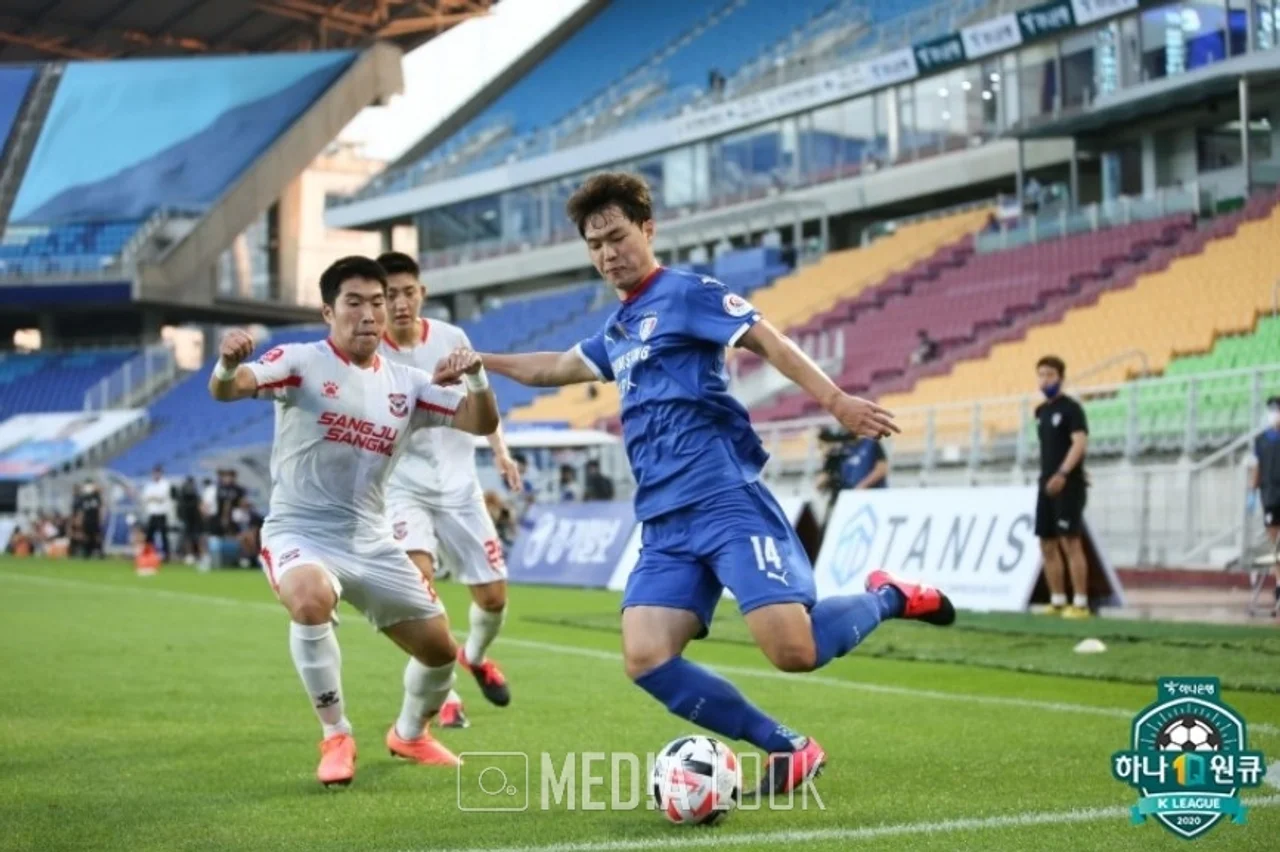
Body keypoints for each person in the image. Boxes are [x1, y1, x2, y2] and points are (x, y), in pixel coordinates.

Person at [480, 172, 954, 798]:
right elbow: (554, 367)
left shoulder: (686, 293)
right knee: (645, 657)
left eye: (617, 237)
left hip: (723, 499)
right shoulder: (619, 330)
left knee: (795, 651)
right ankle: (788, 747)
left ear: (648, 230)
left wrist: (836, 400)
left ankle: (889, 596)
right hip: (664, 522)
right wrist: (481, 361)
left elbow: (767, 339)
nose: (608, 254)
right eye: (595, 245)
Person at [207, 255, 500, 787]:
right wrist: (227, 364)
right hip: (300, 532)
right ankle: (336, 734)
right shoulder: (300, 361)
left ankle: (410, 734)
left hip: (372, 540)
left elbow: (479, 421)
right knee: (309, 598)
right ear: (328, 311)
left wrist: (476, 376)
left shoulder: (408, 384)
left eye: (378, 303)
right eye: (355, 302)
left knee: (440, 653)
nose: (369, 314)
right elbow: (229, 389)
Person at [377, 250, 522, 730]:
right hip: (404, 488)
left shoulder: (451, 337)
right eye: (390, 295)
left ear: (422, 293)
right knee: (417, 589)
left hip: (460, 487)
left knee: (493, 599)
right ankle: (446, 694)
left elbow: (481, 397)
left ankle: (474, 657)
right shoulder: (372, 354)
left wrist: (500, 451)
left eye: (408, 292)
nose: (400, 303)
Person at [1033, 355, 1090, 618]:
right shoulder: (1040, 412)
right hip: (1045, 481)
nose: (1045, 380)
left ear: (1061, 378)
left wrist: (1065, 472)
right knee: (1047, 542)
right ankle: (1057, 600)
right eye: (1041, 375)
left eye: (1050, 375)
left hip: (1067, 482)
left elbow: (1079, 443)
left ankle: (1080, 602)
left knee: (1070, 541)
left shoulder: (1072, 409)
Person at [1248, 396, 1280, 615]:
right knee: (1274, 545)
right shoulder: (1261, 441)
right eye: (1272, 410)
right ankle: (1279, 586)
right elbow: (1257, 467)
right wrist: (1252, 492)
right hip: (1269, 496)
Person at [141, 466, 174, 562]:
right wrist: (153, 497)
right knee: (149, 535)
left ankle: (166, 555)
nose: (155, 475)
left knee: (163, 535)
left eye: (157, 473)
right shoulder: (149, 485)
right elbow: (145, 497)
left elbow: (161, 497)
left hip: (162, 513)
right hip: (152, 513)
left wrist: (153, 497)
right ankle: (147, 554)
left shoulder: (165, 484)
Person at [72, 479, 104, 559]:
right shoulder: (83, 498)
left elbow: (100, 508)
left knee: (97, 536)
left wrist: (101, 519)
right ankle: (87, 552)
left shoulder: (96, 496)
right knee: (86, 536)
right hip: (86, 520)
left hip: (95, 520)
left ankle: (99, 552)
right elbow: (81, 511)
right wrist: (79, 520)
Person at [177, 475, 203, 564]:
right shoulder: (183, 494)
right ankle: (189, 554)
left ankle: (198, 554)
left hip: (195, 519)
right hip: (186, 518)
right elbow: (180, 507)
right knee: (187, 537)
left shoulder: (195, 495)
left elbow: (199, 506)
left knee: (196, 537)